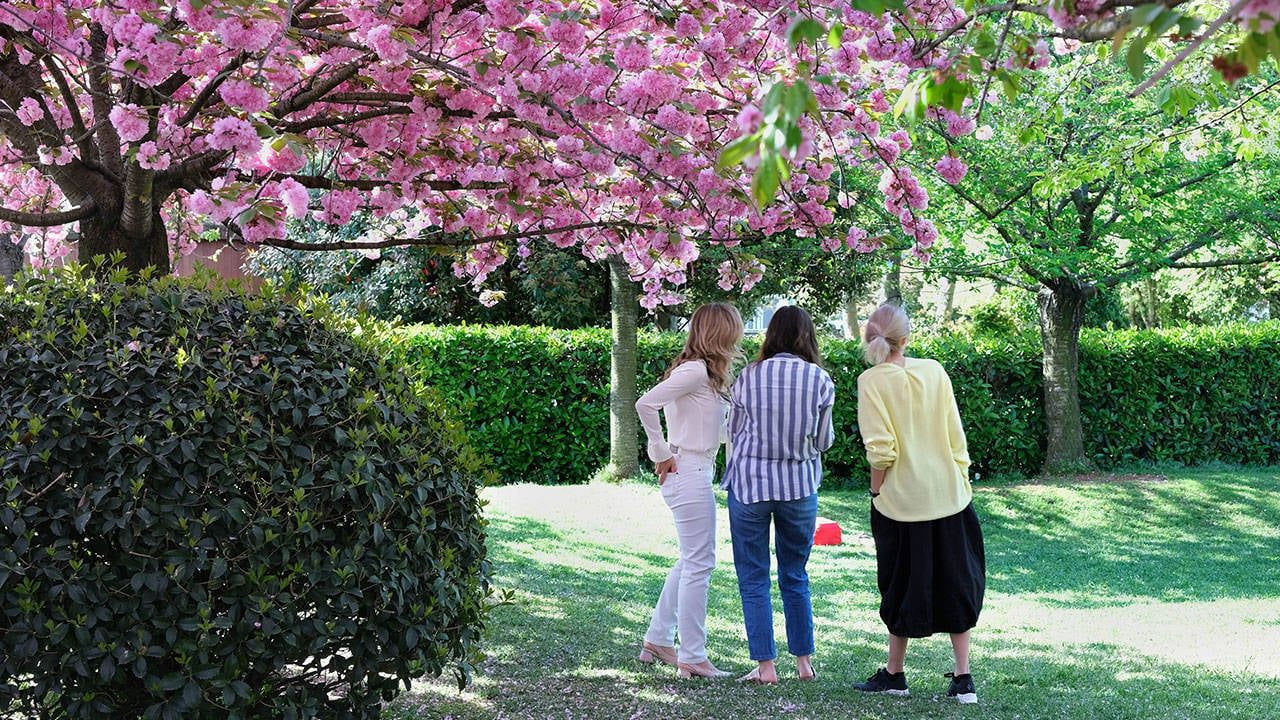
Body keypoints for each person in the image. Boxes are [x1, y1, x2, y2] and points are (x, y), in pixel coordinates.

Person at [853, 303, 986, 705]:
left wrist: (876, 492)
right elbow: (955, 436)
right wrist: (959, 479)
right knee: (958, 582)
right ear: (905, 338)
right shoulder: (935, 371)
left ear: (869, 340)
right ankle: (963, 679)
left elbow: (880, 453)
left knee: (899, 583)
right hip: (950, 498)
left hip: (900, 504)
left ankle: (895, 674)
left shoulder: (871, 381)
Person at [722, 306, 835, 685]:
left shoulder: (748, 376)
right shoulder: (820, 380)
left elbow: (733, 431)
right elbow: (823, 441)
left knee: (753, 574)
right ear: (808, 336)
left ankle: (766, 667)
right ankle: (804, 662)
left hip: (751, 484)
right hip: (799, 487)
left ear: (771, 335)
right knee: (795, 573)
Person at [635, 302, 744, 679]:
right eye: (734, 330)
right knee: (700, 563)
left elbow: (720, 430)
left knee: (690, 560)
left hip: (698, 470)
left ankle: (658, 638)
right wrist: (660, 451)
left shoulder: (708, 376)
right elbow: (645, 404)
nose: (739, 338)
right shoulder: (695, 371)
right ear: (721, 333)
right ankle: (692, 656)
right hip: (688, 470)